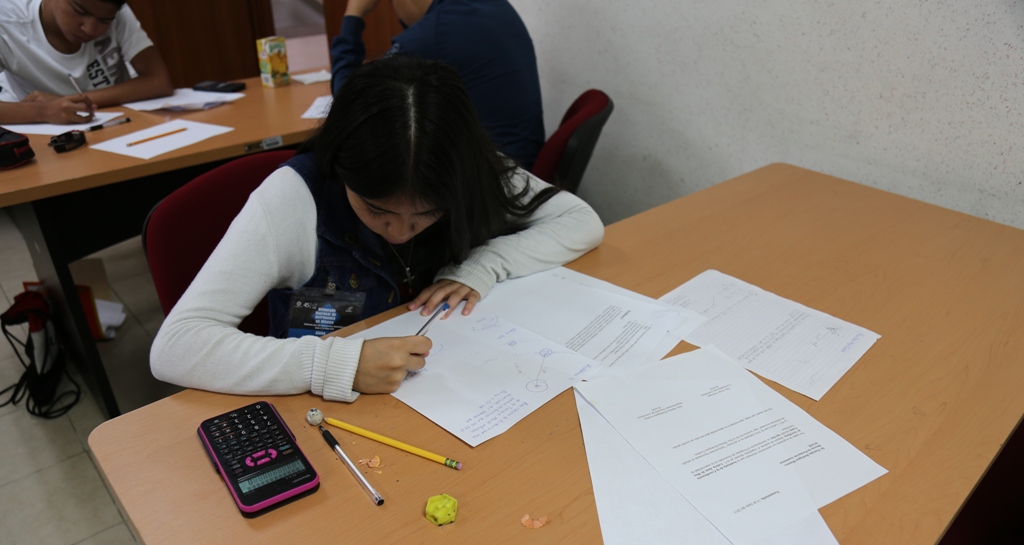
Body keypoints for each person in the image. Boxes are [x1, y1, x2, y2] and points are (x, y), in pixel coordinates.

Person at [150, 56, 603, 403]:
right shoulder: (291, 200)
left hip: (441, 392)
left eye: (428, 213)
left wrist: (484, 265)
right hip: (323, 412)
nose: (401, 232)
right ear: (342, 167)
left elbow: (581, 221)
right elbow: (176, 347)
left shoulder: (469, 169)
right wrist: (335, 364)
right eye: (376, 209)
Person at [331, 0, 545, 170]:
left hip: (493, 185)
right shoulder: (490, 6)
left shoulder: (431, 34)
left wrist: (353, 13)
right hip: (523, 169)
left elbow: (348, 106)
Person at [0, 0, 173, 125]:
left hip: (119, 125)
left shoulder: (117, 11)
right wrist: (44, 111)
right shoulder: (7, 23)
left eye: (104, 21)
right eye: (80, 12)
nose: (90, 29)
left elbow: (159, 81)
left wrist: (68, 102)